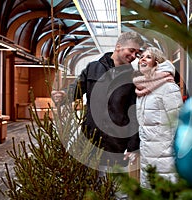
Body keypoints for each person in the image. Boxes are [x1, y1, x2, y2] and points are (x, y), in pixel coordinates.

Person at [51, 31, 145, 171]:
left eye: (136, 53)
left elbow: (134, 113)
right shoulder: (93, 68)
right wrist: (63, 95)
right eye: (131, 51)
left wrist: (133, 146)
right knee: (88, 187)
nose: (133, 57)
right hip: (89, 139)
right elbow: (76, 89)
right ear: (118, 46)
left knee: (114, 188)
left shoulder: (133, 77)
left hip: (116, 143)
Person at [132, 47, 183, 188]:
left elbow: (178, 123)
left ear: (157, 63)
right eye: (141, 56)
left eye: (148, 57)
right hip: (148, 154)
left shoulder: (168, 87)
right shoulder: (143, 89)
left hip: (165, 157)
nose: (142, 59)